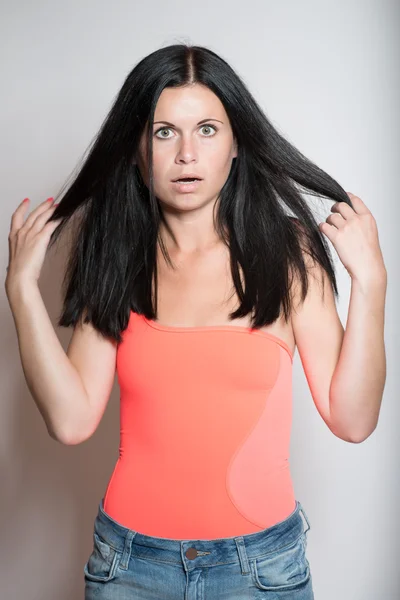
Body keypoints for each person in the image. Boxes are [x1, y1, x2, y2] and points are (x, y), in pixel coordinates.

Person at [5, 43, 386, 600]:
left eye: (207, 129)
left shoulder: (287, 252)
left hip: (262, 571)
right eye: (164, 132)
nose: (187, 153)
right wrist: (19, 289)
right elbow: (70, 420)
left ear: (235, 144)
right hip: (129, 567)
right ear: (137, 148)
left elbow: (353, 420)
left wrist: (372, 285)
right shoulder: (115, 253)